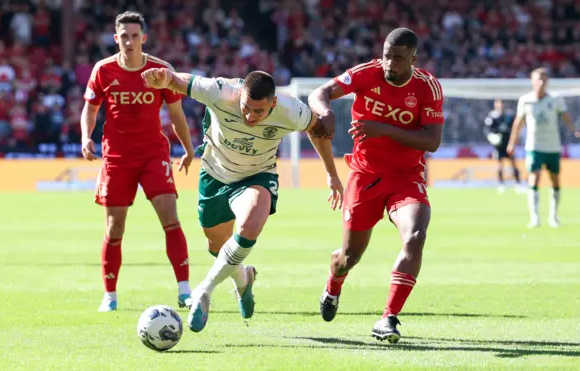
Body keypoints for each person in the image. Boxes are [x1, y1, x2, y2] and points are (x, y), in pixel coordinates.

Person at [140, 67, 341, 332]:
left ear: (274, 103)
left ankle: (203, 291)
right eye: (246, 107)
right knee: (218, 247)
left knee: (248, 228)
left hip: (257, 176)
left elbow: (318, 130)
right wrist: (167, 79)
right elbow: (184, 82)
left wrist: (331, 173)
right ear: (240, 96)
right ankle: (244, 278)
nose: (250, 116)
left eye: (259, 111)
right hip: (215, 175)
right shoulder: (222, 92)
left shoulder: (292, 111)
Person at [308, 28, 444, 344]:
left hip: (406, 177)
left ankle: (388, 318)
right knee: (349, 257)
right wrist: (325, 112)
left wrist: (381, 128)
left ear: (413, 58)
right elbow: (319, 93)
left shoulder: (428, 88)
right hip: (365, 176)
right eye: (386, 56)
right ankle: (333, 283)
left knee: (415, 236)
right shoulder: (366, 73)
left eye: (398, 58)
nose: (389, 64)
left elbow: (432, 141)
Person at [80, 11, 195, 312]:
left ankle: (185, 290)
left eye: (134, 36)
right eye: (124, 36)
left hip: (153, 154)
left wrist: (189, 149)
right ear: (115, 38)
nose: (129, 42)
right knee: (114, 227)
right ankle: (110, 295)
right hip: (117, 157)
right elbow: (90, 109)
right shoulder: (103, 70)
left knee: (170, 218)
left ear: (144, 38)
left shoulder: (161, 71)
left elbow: (177, 115)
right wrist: (85, 136)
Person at [507, 67, 580, 229]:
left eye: (543, 79)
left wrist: (574, 130)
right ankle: (534, 217)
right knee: (534, 178)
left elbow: (566, 117)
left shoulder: (555, 100)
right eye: (537, 79)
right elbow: (518, 123)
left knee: (555, 180)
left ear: (547, 81)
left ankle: (553, 216)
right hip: (534, 146)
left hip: (553, 145)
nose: (541, 82)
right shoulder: (525, 100)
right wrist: (512, 142)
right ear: (532, 82)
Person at [484, 99, 521, 193]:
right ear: (495, 104)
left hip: (508, 144)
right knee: (499, 165)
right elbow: (487, 130)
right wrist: (492, 137)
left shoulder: (509, 115)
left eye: (502, 103)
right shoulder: (492, 116)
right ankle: (501, 184)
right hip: (498, 146)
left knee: (513, 164)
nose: (501, 105)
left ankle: (518, 184)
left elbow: (515, 128)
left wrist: (514, 140)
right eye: (498, 103)